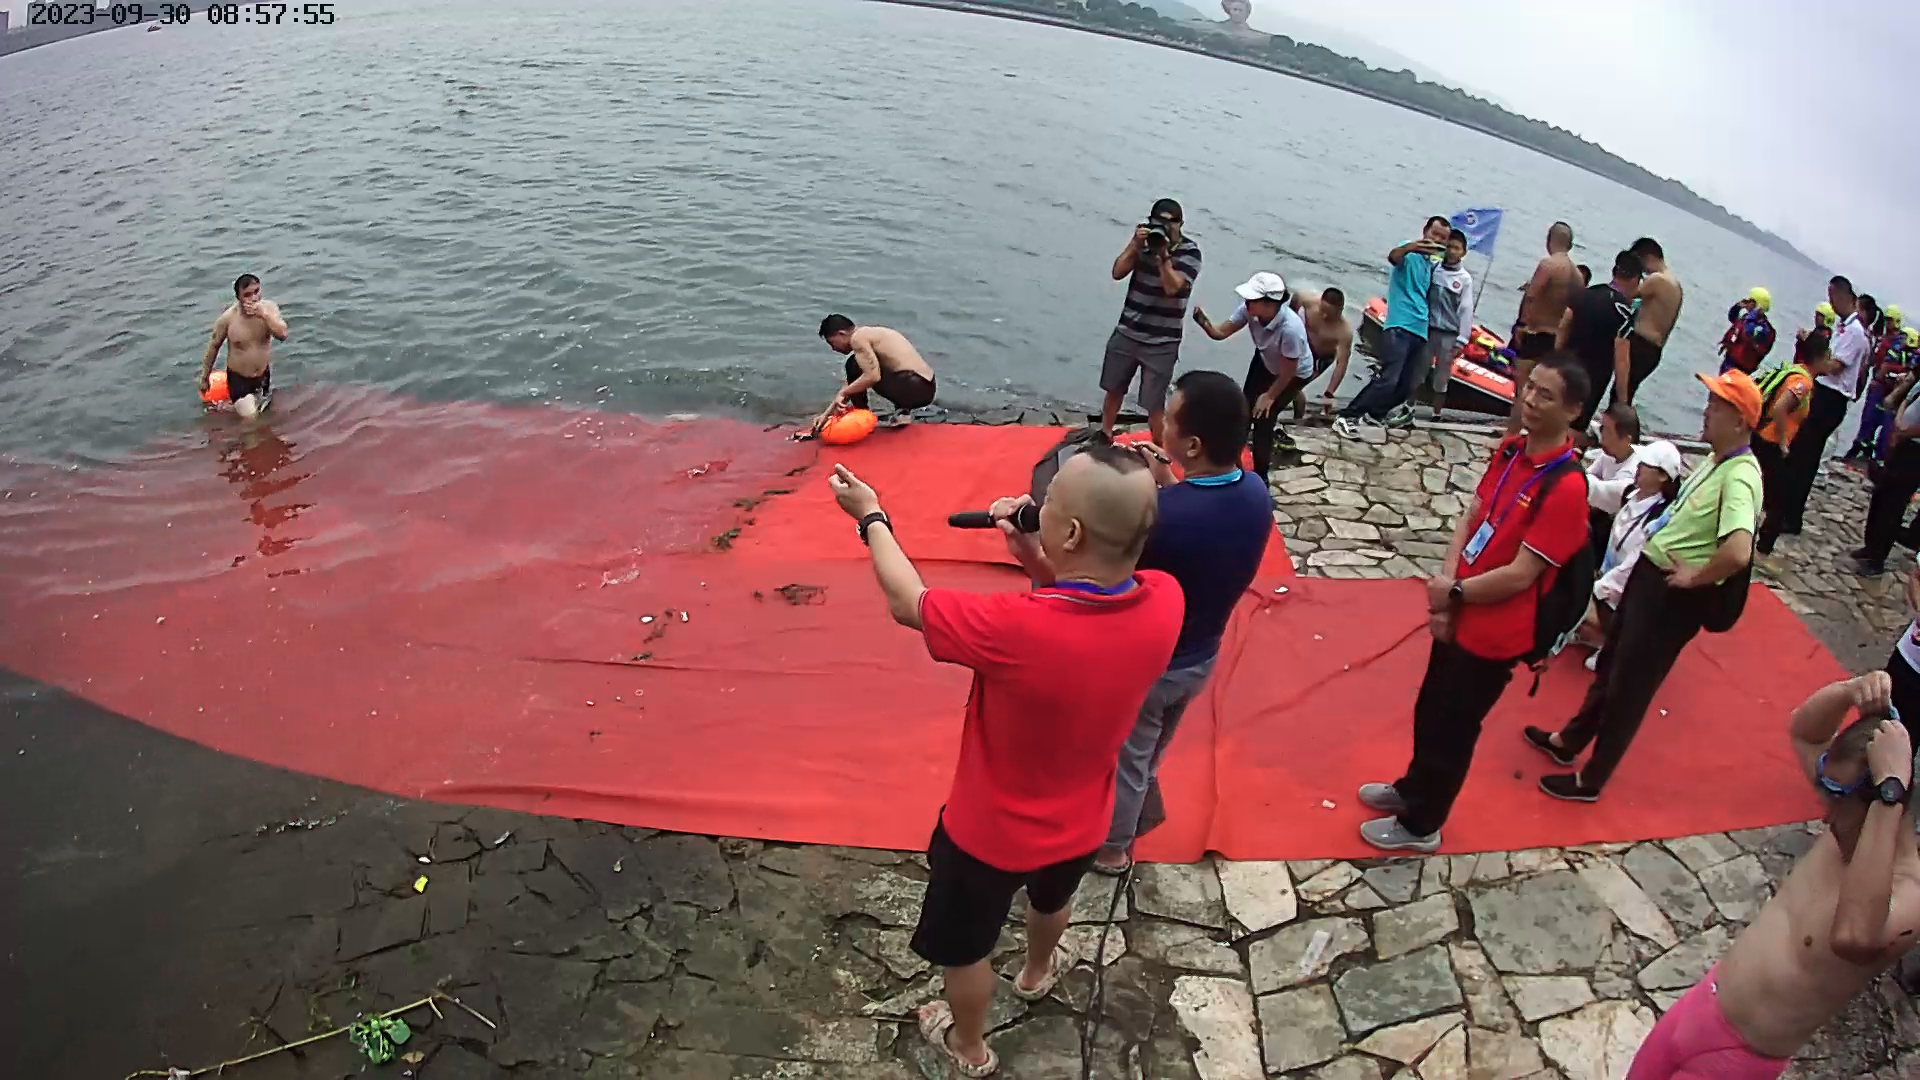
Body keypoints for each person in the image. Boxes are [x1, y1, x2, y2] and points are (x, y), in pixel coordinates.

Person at [825, 448, 1181, 1077]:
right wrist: (1034, 558)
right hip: (1083, 818)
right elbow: (1081, 606)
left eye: (1048, 502)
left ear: (1070, 533)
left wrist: (871, 516)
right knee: (1052, 901)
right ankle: (1038, 972)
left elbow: (909, 602)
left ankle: (969, 1046)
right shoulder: (1166, 601)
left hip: (987, 835)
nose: (1035, 506)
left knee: (965, 950)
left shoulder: (1015, 628)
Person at [1624, 671, 1920, 1080]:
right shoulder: (1844, 828)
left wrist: (1891, 790)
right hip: (1701, 1005)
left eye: (1838, 806)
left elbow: (1852, 936)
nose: (1825, 817)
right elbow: (1804, 733)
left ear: (1882, 808)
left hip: (1734, 1055)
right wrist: (1848, 692)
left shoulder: (1907, 893)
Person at [1355, 353, 1592, 852]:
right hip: (1460, 609)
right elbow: (1472, 517)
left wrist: (1456, 593)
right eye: (1530, 387)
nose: (1530, 399)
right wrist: (1448, 593)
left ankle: (1423, 825)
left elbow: (1523, 573)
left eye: (1546, 395)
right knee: (1429, 707)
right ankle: (1412, 788)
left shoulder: (1566, 486)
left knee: (1454, 726)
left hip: (1495, 633)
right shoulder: (1511, 451)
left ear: (1573, 411)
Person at [1527, 371, 1762, 802]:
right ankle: (1569, 741)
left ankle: (1591, 779)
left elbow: (1738, 549)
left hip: (1671, 596)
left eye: (1717, 407)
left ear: (1739, 421)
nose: (1706, 412)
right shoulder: (1717, 462)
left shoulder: (1741, 476)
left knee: (1630, 686)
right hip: (1650, 579)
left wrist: (1694, 577)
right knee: (1613, 665)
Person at [1093, 371, 1272, 873]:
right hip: (1202, 652)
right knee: (1152, 749)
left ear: (1191, 445)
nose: (1161, 427)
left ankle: (1113, 848)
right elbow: (1205, 519)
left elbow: (1112, 570)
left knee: (1127, 756)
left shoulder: (1162, 517)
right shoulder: (1255, 492)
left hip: (1153, 663)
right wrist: (1171, 481)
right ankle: (1140, 799)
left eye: (1169, 420)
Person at [1767, 277, 1870, 541]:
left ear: (1844, 297)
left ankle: (1791, 515)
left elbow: (1835, 366)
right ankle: (1784, 505)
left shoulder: (1855, 333)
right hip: (1823, 391)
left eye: (1833, 297)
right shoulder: (1843, 329)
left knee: (1806, 456)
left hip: (1832, 397)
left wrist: (1814, 363)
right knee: (1801, 452)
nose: (1831, 303)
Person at [1333, 214, 1451, 438]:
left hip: (1420, 329)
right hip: (1399, 325)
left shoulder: (1432, 266)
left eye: (1442, 238)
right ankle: (1346, 416)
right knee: (1388, 378)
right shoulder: (1408, 252)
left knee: (1408, 385)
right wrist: (1413, 247)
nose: (1437, 240)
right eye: (1434, 234)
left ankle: (1375, 414)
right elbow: (1393, 256)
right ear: (1425, 231)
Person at [1101, 198, 1203, 445]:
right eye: (1160, 222)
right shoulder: (1143, 244)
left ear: (1181, 224)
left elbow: (1173, 288)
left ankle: (1159, 449)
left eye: (1172, 222)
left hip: (1162, 342)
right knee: (1113, 389)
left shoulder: (1190, 252)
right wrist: (1134, 245)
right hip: (1128, 330)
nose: (1166, 227)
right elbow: (1117, 272)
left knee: (1154, 404)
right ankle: (1104, 434)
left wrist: (1163, 256)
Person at [1192, 273, 1310, 479]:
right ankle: (1230, 462)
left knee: (1263, 419)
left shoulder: (1291, 329)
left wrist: (1270, 396)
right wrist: (1204, 323)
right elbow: (1221, 333)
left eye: (1253, 299)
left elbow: (1289, 370)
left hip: (1293, 373)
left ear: (1270, 304)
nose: (1247, 302)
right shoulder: (1249, 310)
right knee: (1244, 409)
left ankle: (1261, 476)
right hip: (1266, 358)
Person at [1579, 440, 1684, 671]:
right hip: (1609, 579)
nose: (1638, 468)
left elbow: (1630, 568)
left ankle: (1612, 644)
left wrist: (1594, 591)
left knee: (1577, 602)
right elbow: (1598, 491)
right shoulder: (1630, 494)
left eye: (1645, 465)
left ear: (1662, 476)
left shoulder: (1660, 521)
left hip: (1629, 592)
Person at [1754, 335, 1839, 555]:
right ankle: (1764, 546)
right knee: (1778, 500)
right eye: (1828, 358)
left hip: (1762, 437)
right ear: (1818, 359)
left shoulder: (1794, 370)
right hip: (1771, 443)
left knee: (1768, 494)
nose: (1830, 364)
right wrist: (1783, 442)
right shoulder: (1804, 382)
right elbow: (1780, 408)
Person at [1556, 250, 1644, 435]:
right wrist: (1623, 402)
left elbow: (1564, 326)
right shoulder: (1624, 312)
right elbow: (1622, 359)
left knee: (1555, 416)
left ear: (1614, 271)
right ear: (1635, 279)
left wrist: (1556, 358)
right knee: (1574, 428)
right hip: (1592, 380)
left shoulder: (1586, 293)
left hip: (1565, 368)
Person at [1851, 366, 1920, 576]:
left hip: (1915, 450)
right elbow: (1907, 399)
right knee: (1881, 494)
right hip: (1902, 440)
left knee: (1894, 503)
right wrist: (1898, 424)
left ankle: (1877, 557)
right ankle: (1869, 545)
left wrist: (1905, 433)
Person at [815, 316, 938, 429]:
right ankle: (902, 412)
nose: (833, 349)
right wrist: (826, 415)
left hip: (915, 388)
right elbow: (852, 383)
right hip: (925, 387)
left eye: (832, 343)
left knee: (854, 366)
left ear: (841, 333)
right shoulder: (869, 334)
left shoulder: (858, 338)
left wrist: (844, 393)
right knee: (856, 367)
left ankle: (862, 416)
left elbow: (872, 377)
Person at [1511, 222, 1582, 406]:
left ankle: (1515, 424)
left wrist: (1521, 325)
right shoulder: (1578, 276)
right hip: (1556, 339)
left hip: (1535, 333)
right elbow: (1574, 310)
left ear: (1549, 239)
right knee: (1542, 393)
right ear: (1570, 244)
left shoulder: (1548, 264)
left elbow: (1531, 297)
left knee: (1523, 391)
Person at [199, 273, 288, 419]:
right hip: (239, 379)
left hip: (263, 375)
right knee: (251, 419)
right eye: (247, 295)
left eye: (256, 291)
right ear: (238, 297)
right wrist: (204, 377)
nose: (254, 298)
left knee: (266, 412)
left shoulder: (270, 309)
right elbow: (214, 347)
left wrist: (264, 315)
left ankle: (230, 408)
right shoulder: (228, 319)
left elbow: (283, 335)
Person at [1418, 229, 1475, 419]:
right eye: (1449, 247)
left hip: (1449, 336)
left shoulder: (1465, 279)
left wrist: (1462, 339)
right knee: (1418, 371)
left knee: (1442, 378)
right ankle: (1408, 407)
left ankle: (1436, 414)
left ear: (1463, 252)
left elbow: (1466, 309)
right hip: (1429, 330)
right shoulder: (1434, 269)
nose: (1452, 251)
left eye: (1456, 248)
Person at [1847, 305, 1912, 461]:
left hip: (1889, 388)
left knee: (1883, 422)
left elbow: (1895, 366)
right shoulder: (1882, 339)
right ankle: (1862, 447)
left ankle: (1875, 453)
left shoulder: (1900, 342)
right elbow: (1873, 359)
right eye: (1886, 320)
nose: (1887, 323)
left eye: (1890, 320)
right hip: (1878, 384)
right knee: (1869, 418)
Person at [1583, 402, 1644, 563]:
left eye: (1607, 431)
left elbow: (1601, 494)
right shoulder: (1608, 454)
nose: (1602, 434)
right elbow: (1590, 474)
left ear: (1626, 440)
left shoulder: (1633, 471)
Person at [1625, 238, 1683, 400]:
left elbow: (1627, 296)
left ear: (1648, 258)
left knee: (1621, 393)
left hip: (1641, 344)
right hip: (1654, 351)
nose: (1642, 271)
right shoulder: (1674, 284)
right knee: (1628, 392)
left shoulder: (1657, 279)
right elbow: (1644, 305)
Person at [1293, 287, 1354, 420]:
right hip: (1303, 346)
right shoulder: (1308, 301)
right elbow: (1295, 298)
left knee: (1294, 387)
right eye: (1323, 311)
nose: (1324, 316)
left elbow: (1341, 364)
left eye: (1330, 315)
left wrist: (1329, 393)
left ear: (1340, 310)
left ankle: (1297, 418)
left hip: (1320, 358)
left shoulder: (1344, 332)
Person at [1717, 286, 1777, 375]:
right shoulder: (1746, 318)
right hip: (1729, 361)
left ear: (1757, 305)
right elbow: (1733, 318)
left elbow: (1747, 331)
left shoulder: (1764, 329)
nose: (1747, 303)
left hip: (1740, 370)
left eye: (1750, 301)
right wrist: (1737, 307)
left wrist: (1754, 314)